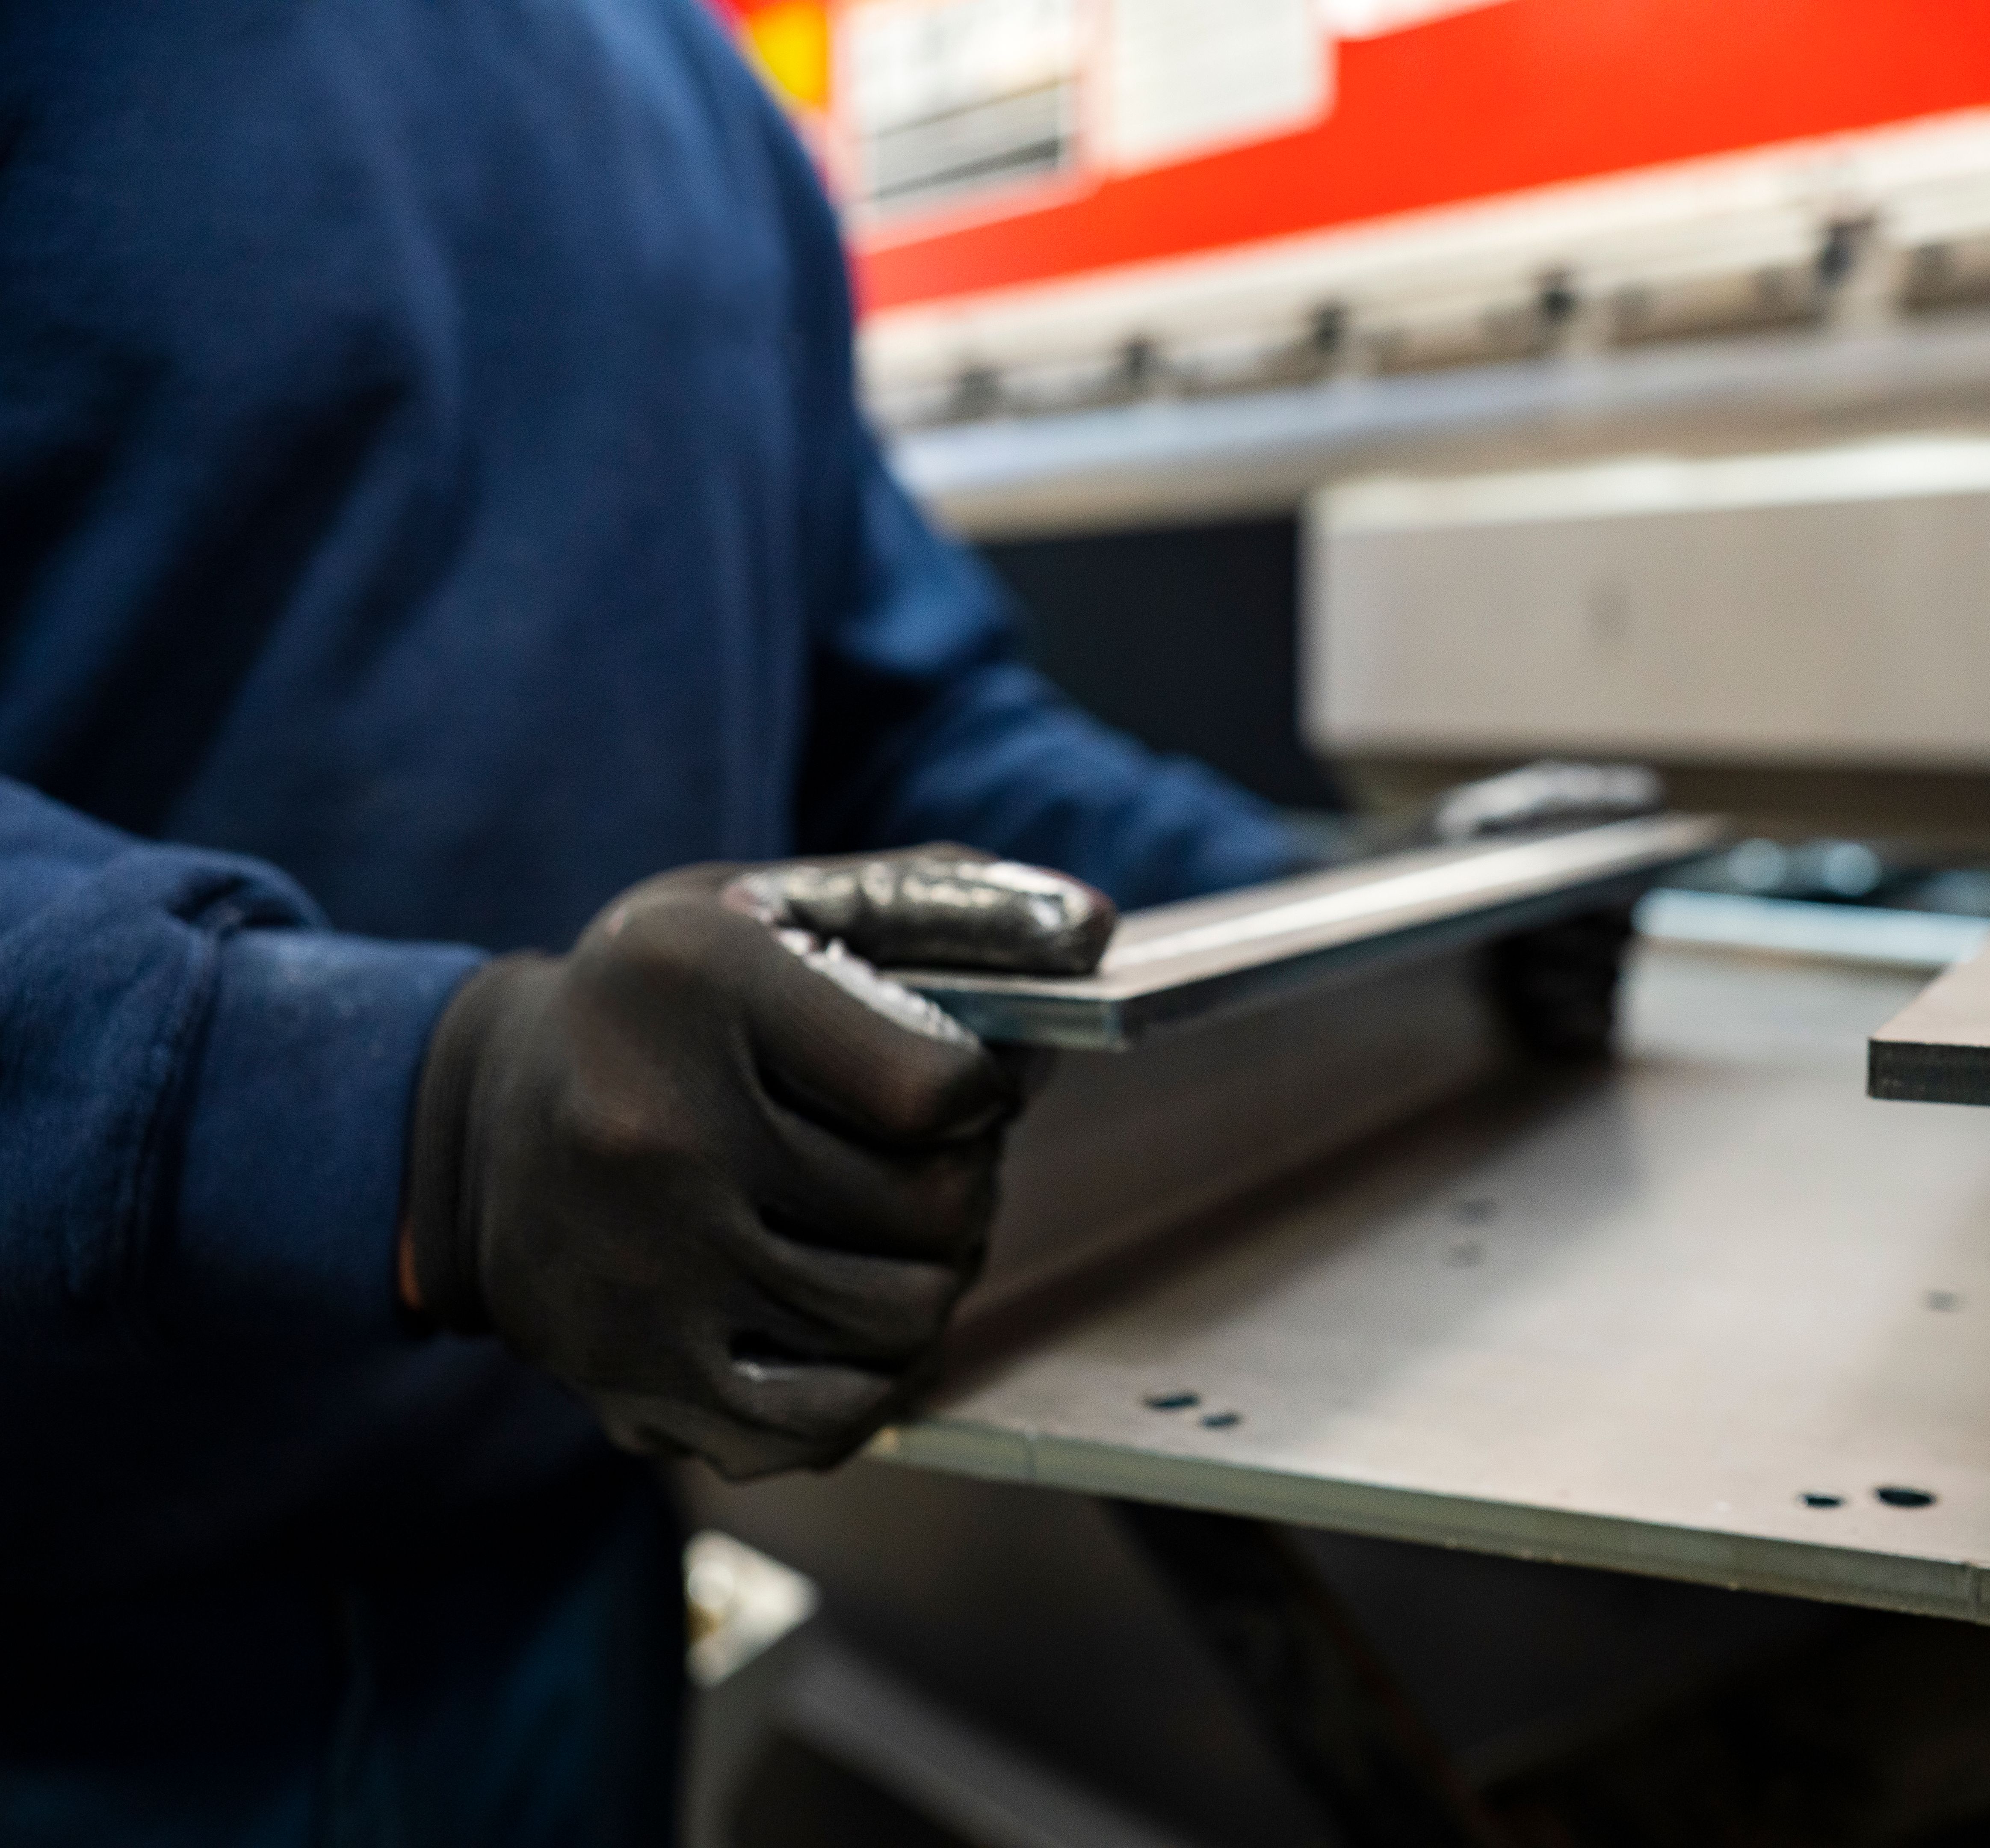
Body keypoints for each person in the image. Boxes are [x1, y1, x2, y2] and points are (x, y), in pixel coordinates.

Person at [0, 4, 1641, 1842]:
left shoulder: (689, 91)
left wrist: (1355, 910)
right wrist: (393, 1121)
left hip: (551, 1589)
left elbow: (903, 731)